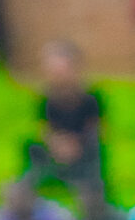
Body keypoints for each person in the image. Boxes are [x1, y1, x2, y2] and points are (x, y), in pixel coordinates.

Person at [30, 39, 106, 187]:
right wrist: (56, 143)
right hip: (57, 148)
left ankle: (88, 186)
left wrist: (76, 143)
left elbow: (96, 128)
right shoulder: (46, 99)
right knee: (33, 148)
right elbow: (46, 128)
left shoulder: (89, 97)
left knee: (95, 148)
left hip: (82, 148)